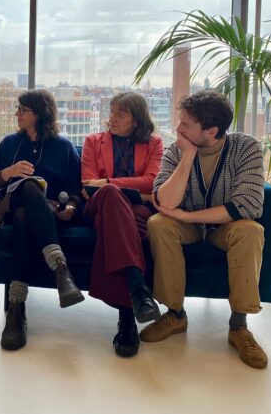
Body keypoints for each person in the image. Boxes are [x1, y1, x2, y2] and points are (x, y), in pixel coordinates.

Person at [142, 90, 267, 369]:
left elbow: (247, 205)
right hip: (187, 226)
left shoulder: (247, 147)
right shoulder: (176, 149)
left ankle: (239, 325)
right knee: (158, 224)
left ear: (211, 130)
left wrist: (188, 216)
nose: (178, 129)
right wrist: (188, 156)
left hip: (226, 227)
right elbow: (165, 202)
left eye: (186, 124)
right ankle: (175, 314)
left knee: (251, 230)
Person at [0, 89, 84, 351]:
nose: (17, 114)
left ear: (40, 113)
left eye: (22, 110)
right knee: (27, 187)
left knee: (23, 216)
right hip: (8, 206)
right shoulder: (9, 143)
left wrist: (71, 206)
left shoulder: (63, 147)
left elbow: (76, 189)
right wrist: (8, 173)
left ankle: (16, 310)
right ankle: (60, 269)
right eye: (17, 109)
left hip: (49, 214)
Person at [81, 92, 163, 357]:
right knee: (110, 195)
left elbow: (153, 181)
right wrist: (115, 188)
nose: (112, 118)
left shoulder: (154, 143)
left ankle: (127, 318)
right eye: (112, 112)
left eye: (121, 113)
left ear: (137, 119)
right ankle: (138, 289)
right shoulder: (93, 142)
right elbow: (89, 185)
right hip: (100, 205)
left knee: (128, 228)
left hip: (133, 212)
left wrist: (108, 182)